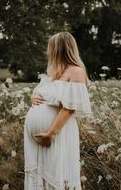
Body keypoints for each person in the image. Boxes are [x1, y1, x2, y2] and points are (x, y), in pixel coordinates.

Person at [23, 31, 93, 189]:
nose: (48, 52)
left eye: (51, 48)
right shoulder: (53, 73)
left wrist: (50, 133)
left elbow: (69, 107)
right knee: (41, 176)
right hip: (40, 139)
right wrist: (33, 98)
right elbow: (44, 96)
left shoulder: (76, 71)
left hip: (57, 134)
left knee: (56, 174)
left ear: (60, 49)